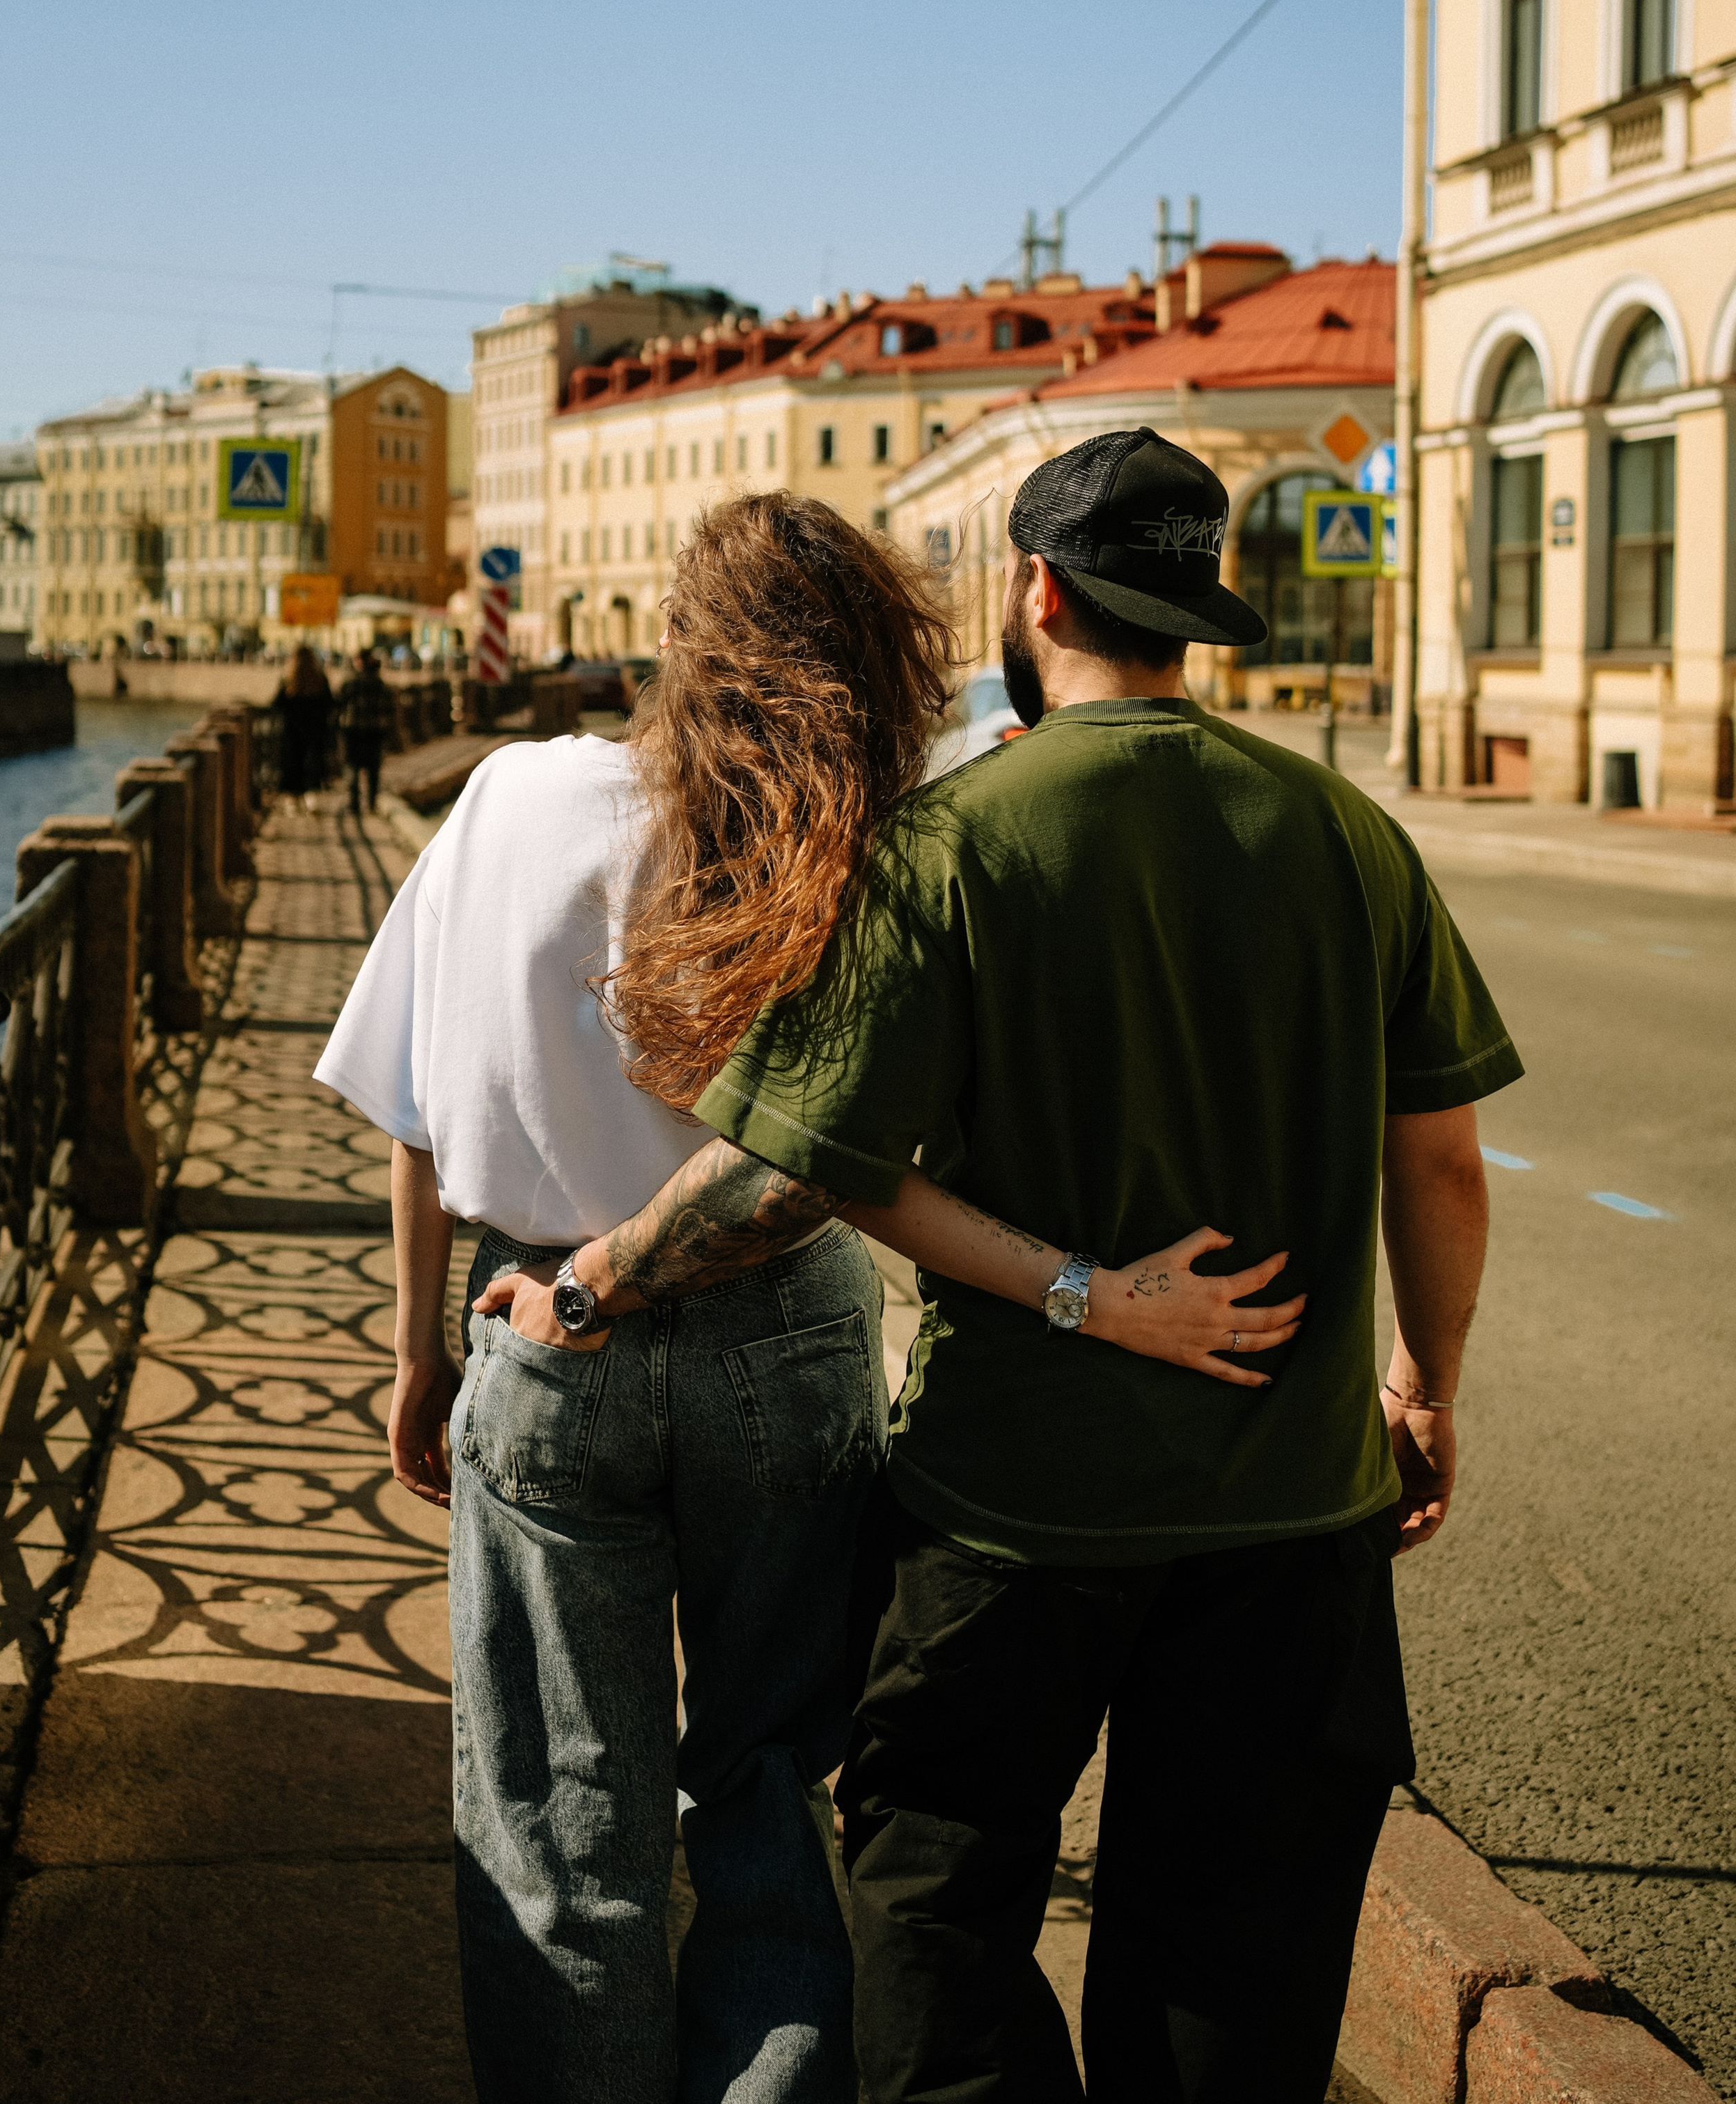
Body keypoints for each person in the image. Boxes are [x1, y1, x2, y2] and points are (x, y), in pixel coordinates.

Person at [551, 429, 1522, 2103]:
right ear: (1193, 613)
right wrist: (1419, 1390)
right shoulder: (1343, 832)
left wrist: (592, 1283)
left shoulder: (944, 848)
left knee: (928, 1918)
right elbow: (1436, 1158)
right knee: (1234, 1974)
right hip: (1292, 1522)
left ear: (1036, 588)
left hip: (1009, 1521)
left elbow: (794, 1173)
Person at [314, 490, 1303, 2104]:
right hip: (789, 1325)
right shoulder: (870, 820)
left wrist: (415, 1348)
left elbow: (420, 1112)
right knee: (773, 1773)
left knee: (558, 1814)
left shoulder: (507, 796)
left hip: (538, 1328)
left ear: (674, 640)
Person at [271, 644, 334, 809]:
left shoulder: (288, 680)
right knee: (313, 763)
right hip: (315, 730)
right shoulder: (320, 679)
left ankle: (292, 802)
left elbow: (277, 704)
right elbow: (330, 704)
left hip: (292, 731)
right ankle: (311, 799)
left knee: (293, 764)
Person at [337, 644, 394, 813]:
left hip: (352, 729)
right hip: (375, 730)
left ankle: (354, 804)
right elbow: (389, 709)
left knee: (352, 765)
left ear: (359, 661)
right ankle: (371, 804)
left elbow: (339, 705)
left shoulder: (350, 683)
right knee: (373, 768)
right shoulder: (380, 684)